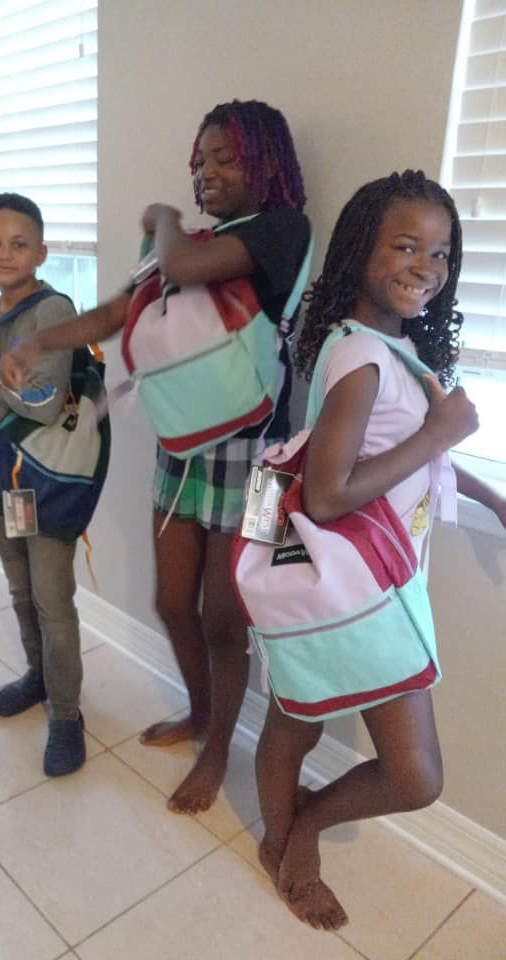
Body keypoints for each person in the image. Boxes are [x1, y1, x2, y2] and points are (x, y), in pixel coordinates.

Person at [0, 99, 310, 812]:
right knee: (173, 602)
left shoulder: (282, 229)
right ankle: (201, 714)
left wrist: (161, 217)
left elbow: (182, 259)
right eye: (200, 162)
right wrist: (37, 341)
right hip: (183, 444)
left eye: (225, 158)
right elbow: (115, 315)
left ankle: (219, 749)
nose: (207, 173)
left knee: (229, 619)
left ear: (268, 160)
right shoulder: (194, 239)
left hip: (262, 458)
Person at [254, 170, 506, 931]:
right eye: (405, 245)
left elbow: (406, 452)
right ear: (361, 248)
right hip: (354, 589)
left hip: (376, 585)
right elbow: (329, 492)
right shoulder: (361, 360)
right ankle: (291, 837)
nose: (424, 267)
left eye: (439, 254)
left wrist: (489, 495)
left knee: (297, 715)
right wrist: (440, 432)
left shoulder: (389, 348)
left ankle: (290, 829)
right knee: (409, 772)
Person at [0, 192, 87, 777]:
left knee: (52, 601)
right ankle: (38, 678)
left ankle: (66, 715)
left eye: (18, 243)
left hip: (47, 481)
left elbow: (38, 403)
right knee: (19, 592)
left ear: (41, 250)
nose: (3, 253)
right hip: (5, 483)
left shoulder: (52, 313)